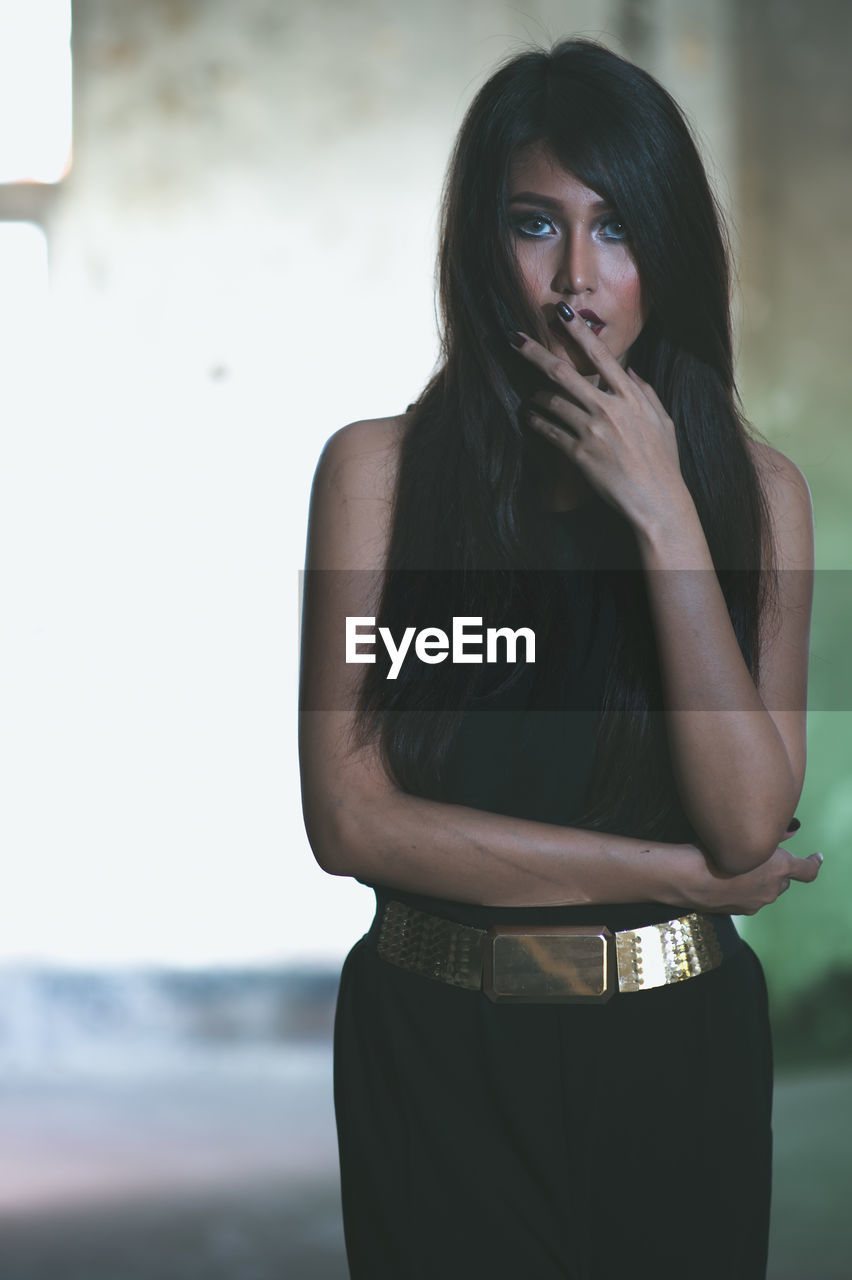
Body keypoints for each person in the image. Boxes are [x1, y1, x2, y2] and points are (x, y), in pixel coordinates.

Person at [298, 38, 821, 1280]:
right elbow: (350, 819)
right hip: (434, 1046)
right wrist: (661, 872)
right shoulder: (377, 476)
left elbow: (748, 827)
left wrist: (665, 516)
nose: (576, 280)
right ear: (483, 249)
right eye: (537, 226)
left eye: (618, 229)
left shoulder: (762, 498)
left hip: (678, 1057)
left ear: (671, 259)